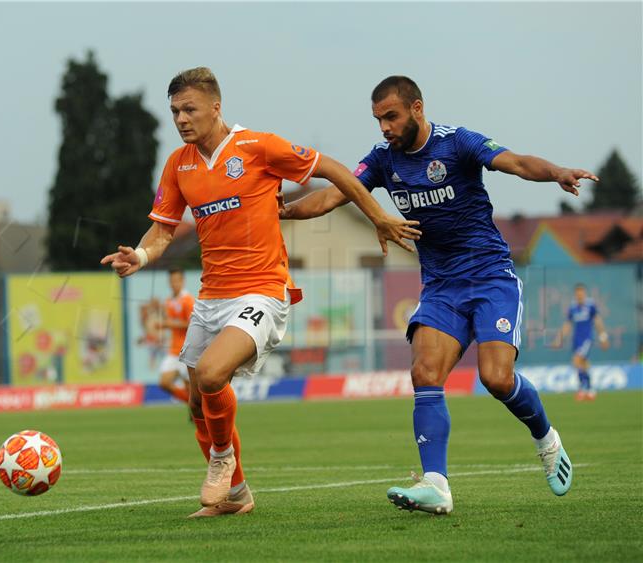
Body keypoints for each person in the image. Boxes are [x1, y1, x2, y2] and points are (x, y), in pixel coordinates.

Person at [102, 67, 420, 518]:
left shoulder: (258, 147)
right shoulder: (179, 164)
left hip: (262, 292)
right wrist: (140, 255)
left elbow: (333, 171)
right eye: (174, 111)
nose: (181, 119)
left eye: (189, 109)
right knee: (197, 399)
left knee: (212, 375)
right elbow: (163, 229)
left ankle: (220, 460)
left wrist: (378, 217)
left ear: (216, 106)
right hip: (212, 295)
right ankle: (237, 495)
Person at [281, 76, 599, 514]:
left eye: (391, 117)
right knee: (425, 372)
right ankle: (437, 485)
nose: (385, 128)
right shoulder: (381, 161)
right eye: (378, 120)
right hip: (442, 286)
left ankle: (547, 440)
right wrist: (283, 210)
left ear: (416, 107)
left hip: (490, 277)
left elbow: (518, 163)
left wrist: (557, 173)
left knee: (497, 379)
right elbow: (334, 196)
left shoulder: (458, 143)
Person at [551, 283, 609, 400]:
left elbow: (598, 321)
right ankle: (589, 389)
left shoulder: (590, 305)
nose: (579, 294)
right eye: (577, 292)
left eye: (581, 292)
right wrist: (559, 339)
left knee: (576, 361)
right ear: (575, 294)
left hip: (586, 339)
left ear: (584, 293)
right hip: (576, 340)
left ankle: (584, 388)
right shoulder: (573, 308)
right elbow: (567, 325)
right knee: (583, 364)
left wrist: (603, 337)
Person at [154, 267, 194, 403]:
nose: (174, 284)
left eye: (177, 280)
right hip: (173, 351)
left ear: (183, 281)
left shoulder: (188, 300)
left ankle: (197, 412)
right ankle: (193, 404)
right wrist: (162, 325)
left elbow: (191, 324)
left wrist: (168, 324)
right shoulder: (169, 301)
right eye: (171, 281)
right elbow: (170, 323)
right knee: (164, 383)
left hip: (187, 351)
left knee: (190, 389)